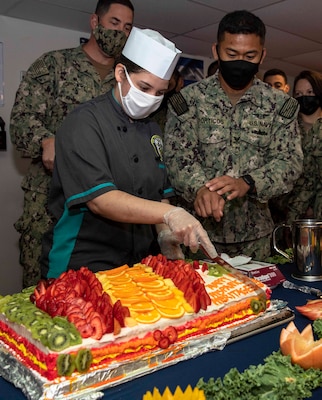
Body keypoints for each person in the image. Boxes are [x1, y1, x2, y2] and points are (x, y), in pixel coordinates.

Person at [40, 27, 218, 279]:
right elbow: (102, 200)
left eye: (160, 92)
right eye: (144, 87)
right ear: (120, 73)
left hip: (137, 263)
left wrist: (164, 232)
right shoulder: (84, 122)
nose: (152, 99)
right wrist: (171, 214)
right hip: (82, 263)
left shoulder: (152, 129)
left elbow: (159, 196)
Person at [10, 0, 135, 288]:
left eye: (127, 28)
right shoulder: (53, 65)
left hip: (108, 211)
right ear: (94, 22)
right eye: (114, 23)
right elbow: (21, 121)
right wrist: (45, 140)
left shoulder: (127, 79)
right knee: (44, 294)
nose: (120, 32)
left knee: (101, 299)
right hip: (52, 206)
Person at [164, 10, 303, 260]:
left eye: (249, 55)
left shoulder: (280, 106)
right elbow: (176, 158)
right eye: (232, 54)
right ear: (216, 51)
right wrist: (199, 189)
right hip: (196, 234)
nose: (240, 62)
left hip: (256, 239)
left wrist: (249, 182)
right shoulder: (188, 100)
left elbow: (290, 163)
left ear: (262, 56)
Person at [286, 70, 322, 222]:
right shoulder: (286, 127)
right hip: (289, 212)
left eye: (310, 92)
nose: (304, 97)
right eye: (299, 94)